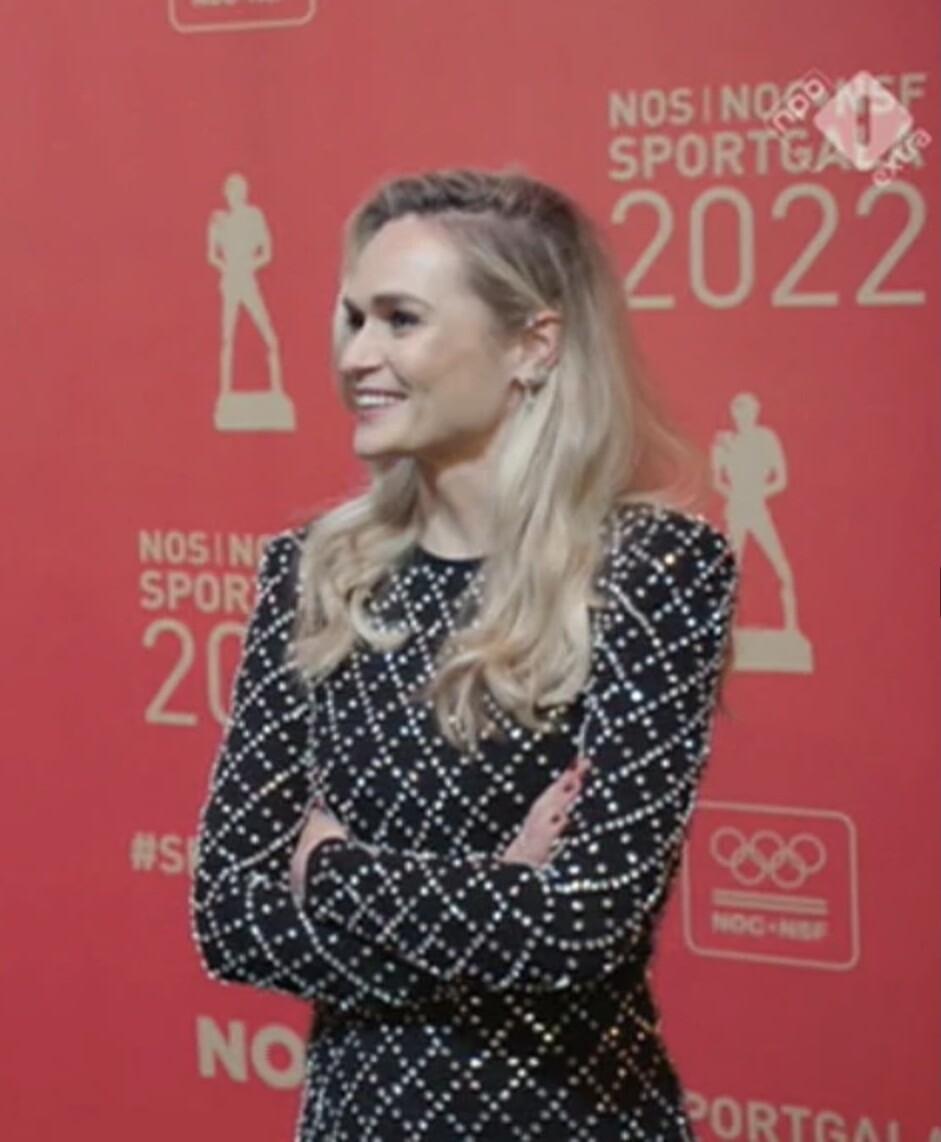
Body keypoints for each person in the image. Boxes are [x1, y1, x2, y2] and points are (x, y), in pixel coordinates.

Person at [190, 167, 740, 1140]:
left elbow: (580, 927)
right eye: (352, 317)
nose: (357, 355)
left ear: (532, 344)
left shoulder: (652, 568)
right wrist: (499, 884)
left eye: (400, 320)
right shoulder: (316, 570)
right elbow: (231, 915)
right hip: (358, 1119)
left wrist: (331, 868)